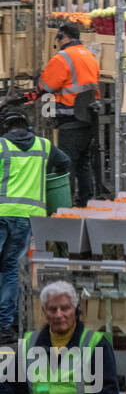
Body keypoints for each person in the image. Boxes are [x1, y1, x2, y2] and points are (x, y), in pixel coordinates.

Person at [0, 112, 70, 344]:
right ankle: (5, 326)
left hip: (1, 215)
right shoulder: (43, 145)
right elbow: (65, 163)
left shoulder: (1, 145)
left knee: (8, 269)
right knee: (11, 269)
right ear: (28, 127)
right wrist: (47, 178)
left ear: (7, 128)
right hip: (27, 218)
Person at [35, 22, 100, 208]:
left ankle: (65, 206)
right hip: (88, 119)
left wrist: (37, 84)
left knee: (67, 164)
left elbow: (45, 87)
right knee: (83, 163)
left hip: (69, 120)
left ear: (62, 36)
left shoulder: (62, 58)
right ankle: (84, 203)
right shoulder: (89, 55)